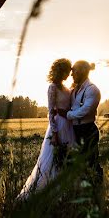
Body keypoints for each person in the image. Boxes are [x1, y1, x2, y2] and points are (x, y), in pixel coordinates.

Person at [18, 59, 75, 199]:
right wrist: (54, 133)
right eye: (67, 71)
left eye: (69, 71)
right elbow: (50, 111)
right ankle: (47, 190)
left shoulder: (67, 88)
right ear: (60, 71)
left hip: (68, 125)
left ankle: (66, 189)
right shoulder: (52, 87)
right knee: (53, 158)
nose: (68, 74)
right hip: (58, 125)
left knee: (67, 155)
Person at [67, 60, 102, 183]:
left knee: (91, 161)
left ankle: (97, 187)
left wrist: (68, 115)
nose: (71, 75)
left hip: (87, 130)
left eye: (74, 71)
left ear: (82, 71)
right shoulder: (74, 89)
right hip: (75, 130)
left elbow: (85, 110)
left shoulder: (92, 90)